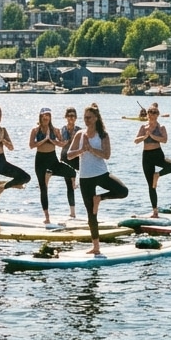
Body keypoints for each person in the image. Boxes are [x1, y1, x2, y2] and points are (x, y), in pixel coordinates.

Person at [66, 103, 129, 255]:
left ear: (95, 118)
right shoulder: (80, 134)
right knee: (91, 215)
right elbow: (68, 155)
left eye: (89, 117)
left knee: (123, 191)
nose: (86, 120)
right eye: (84, 118)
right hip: (86, 177)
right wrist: (82, 149)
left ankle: (99, 198)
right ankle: (96, 247)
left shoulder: (103, 135)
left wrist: (91, 149)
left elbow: (107, 155)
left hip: (101, 174)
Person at [0, 104, 30, 232]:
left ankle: (3, 187)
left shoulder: (3, 130)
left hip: (1, 161)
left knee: (25, 177)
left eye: (0, 114)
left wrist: (5, 142)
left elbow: (11, 147)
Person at [29, 107, 75, 224]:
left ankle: (51, 172)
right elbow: (31, 145)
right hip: (40, 160)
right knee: (43, 189)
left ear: (50, 117)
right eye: (44, 116)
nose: (46, 118)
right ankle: (47, 217)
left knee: (71, 172)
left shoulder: (55, 130)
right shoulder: (35, 130)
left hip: (52, 159)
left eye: (48, 116)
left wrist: (52, 140)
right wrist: (44, 140)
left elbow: (62, 143)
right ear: (40, 117)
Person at [134, 103, 171, 218]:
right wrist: (144, 137)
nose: (152, 115)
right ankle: (155, 211)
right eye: (150, 112)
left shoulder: (160, 127)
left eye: (154, 113)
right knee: (151, 186)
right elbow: (136, 140)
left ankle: (158, 174)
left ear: (158, 115)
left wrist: (152, 136)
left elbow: (164, 140)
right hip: (146, 156)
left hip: (157, 154)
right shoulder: (143, 127)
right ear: (147, 114)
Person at [57, 107, 80, 219]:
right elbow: (64, 142)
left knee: (88, 180)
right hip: (65, 157)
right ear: (66, 117)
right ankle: (72, 212)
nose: (72, 118)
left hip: (76, 157)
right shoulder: (63, 129)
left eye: (73, 116)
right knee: (69, 186)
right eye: (69, 115)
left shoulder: (79, 130)